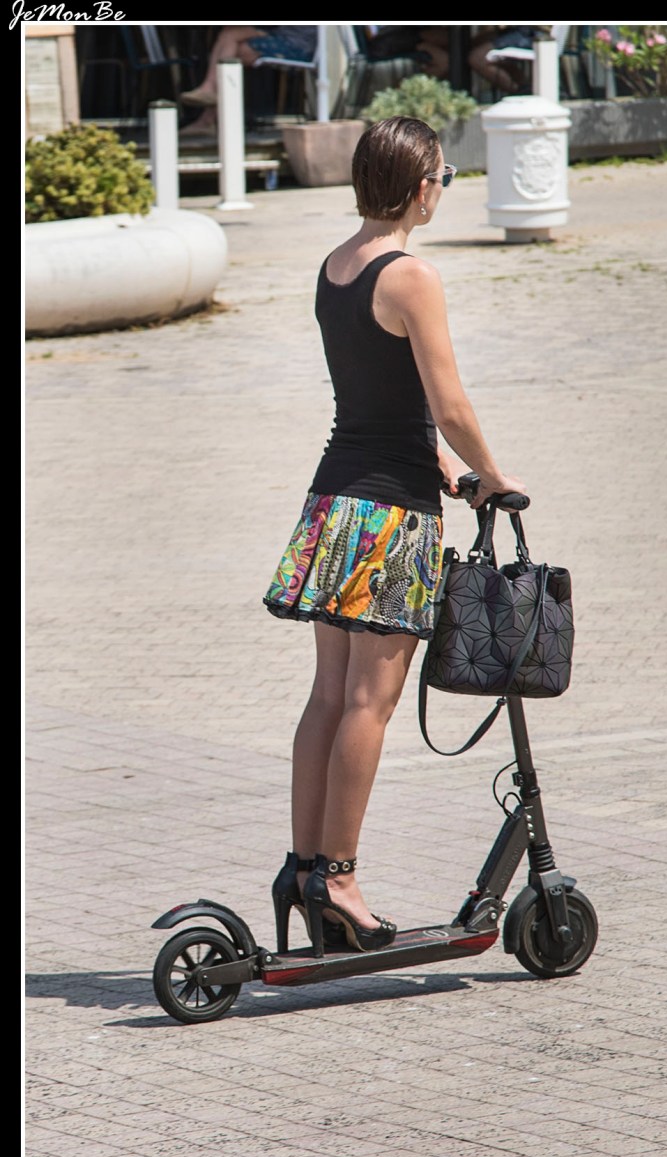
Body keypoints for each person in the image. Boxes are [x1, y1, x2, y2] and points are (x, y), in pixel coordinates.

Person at [263, 117, 525, 957]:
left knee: (328, 697)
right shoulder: (410, 274)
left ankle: (303, 867)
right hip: (388, 521)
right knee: (366, 704)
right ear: (420, 188)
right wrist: (492, 473)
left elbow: (378, 400)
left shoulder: (336, 265)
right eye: (443, 178)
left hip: (336, 502)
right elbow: (446, 403)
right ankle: (339, 881)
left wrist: (442, 466)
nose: (442, 190)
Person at [179, 25, 317, 135]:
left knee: (230, 36)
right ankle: (209, 116)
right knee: (231, 44)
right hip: (284, 34)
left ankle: (208, 108)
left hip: (297, 43)